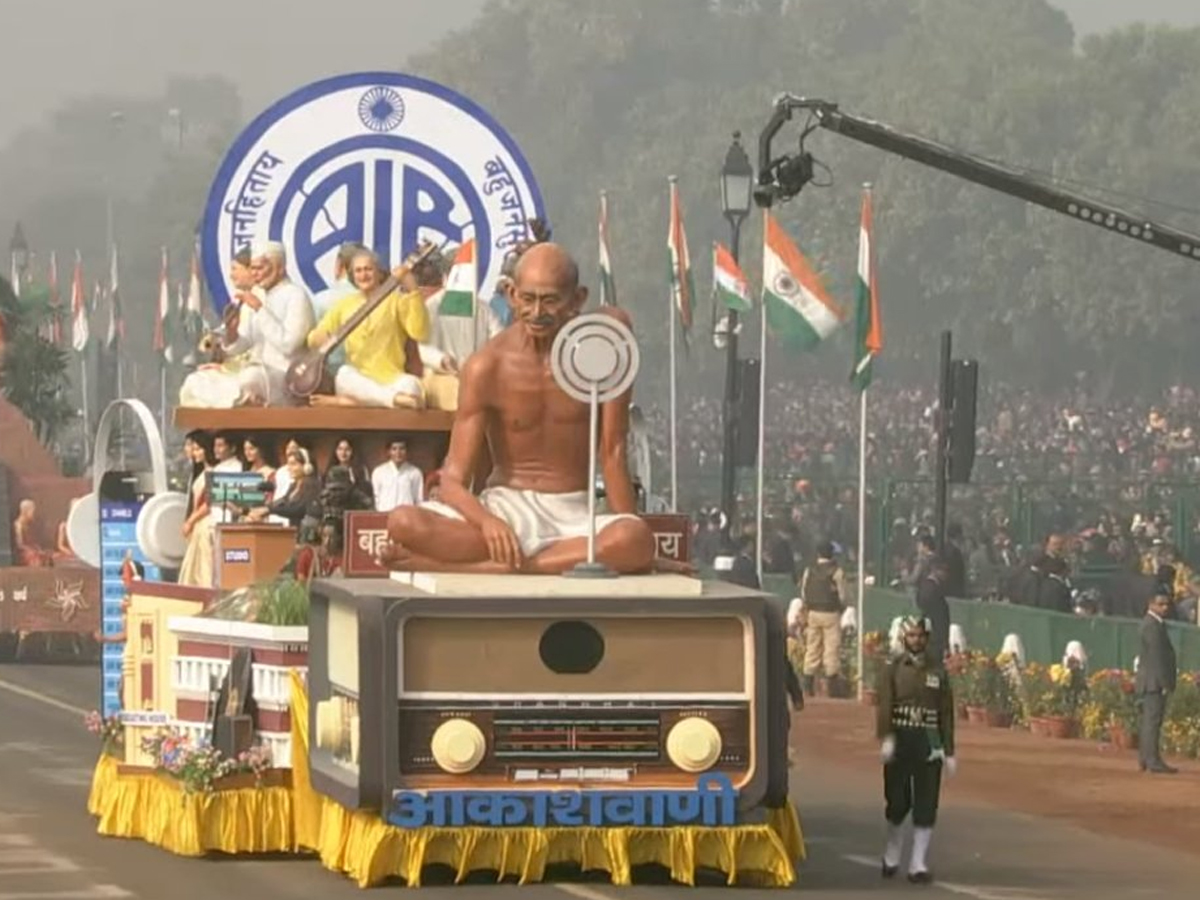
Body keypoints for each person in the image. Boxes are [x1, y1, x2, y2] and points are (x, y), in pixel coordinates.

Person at [381, 243, 655, 575]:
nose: (537, 312)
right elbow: (453, 480)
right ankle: (530, 561)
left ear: (578, 299)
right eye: (528, 298)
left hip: (575, 516)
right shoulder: (486, 366)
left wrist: (638, 546)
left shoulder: (600, 352)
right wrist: (487, 523)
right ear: (511, 294)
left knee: (634, 538)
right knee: (403, 522)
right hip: (506, 509)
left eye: (550, 300)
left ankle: (500, 567)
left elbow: (612, 451)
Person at [876, 616, 956, 884]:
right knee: (898, 801)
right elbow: (884, 704)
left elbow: (946, 711)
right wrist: (886, 737)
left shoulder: (937, 669)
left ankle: (918, 863)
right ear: (903, 637)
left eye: (920, 635)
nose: (916, 640)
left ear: (927, 637)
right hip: (901, 738)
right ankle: (892, 852)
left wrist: (949, 750)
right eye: (911, 635)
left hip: (929, 741)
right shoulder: (894, 667)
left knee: (926, 802)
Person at [307, 248, 430, 409]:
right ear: (352, 275)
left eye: (368, 269)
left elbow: (419, 332)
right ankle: (392, 400)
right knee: (344, 374)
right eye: (358, 271)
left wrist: (414, 291)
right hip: (358, 380)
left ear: (379, 273)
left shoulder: (397, 301)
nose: (363, 275)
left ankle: (354, 403)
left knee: (412, 385)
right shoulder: (344, 305)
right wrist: (320, 337)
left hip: (391, 379)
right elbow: (313, 338)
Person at [178, 249, 264, 408]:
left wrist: (225, 368)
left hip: (257, 374)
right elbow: (232, 338)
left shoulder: (262, 301)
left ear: (250, 271)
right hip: (237, 370)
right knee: (194, 381)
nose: (231, 275)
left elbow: (258, 350)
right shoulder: (242, 302)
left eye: (235, 269)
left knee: (203, 384)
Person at [237, 241, 316, 406]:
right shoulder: (256, 295)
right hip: (256, 371)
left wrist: (259, 309)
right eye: (252, 268)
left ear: (280, 268)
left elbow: (289, 345)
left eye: (260, 268)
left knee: (251, 378)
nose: (255, 274)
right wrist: (231, 334)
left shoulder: (296, 295)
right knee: (199, 381)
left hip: (286, 377)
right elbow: (243, 344)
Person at [1136, 591, 1178, 774]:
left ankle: (1146, 758)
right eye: (1161, 604)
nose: (1165, 608)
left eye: (1167, 604)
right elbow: (1157, 657)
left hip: (1151, 680)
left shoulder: (1153, 624)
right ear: (1151, 604)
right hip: (1154, 681)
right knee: (1152, 722)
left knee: (1149, 721)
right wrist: (1163, 682)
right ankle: (1152, 760)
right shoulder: (1152, 625)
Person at [798, 541, 847, 696]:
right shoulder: (836, 571)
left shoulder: (809, 570)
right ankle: (832, 687)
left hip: (813, 612)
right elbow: (843, 595)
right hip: (831, 613)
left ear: (818, 553)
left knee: (812, 648)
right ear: (831, 554)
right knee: (831, 649)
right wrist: (842, 607)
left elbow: (804, 592)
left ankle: (808, 684)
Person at [177, 432, 216, 587]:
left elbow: (208, 502)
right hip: (198, 525)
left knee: (204, 568)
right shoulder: (202, 472)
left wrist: (190, 521)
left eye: (199, 449)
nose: (195, 453)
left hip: (204, 523)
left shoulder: (212, 472)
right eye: (194, 449)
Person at [247, 448, 320, 529]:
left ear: (306, 467)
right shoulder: (293, 485)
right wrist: (261, 509)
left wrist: (269, 510)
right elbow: (282, 502)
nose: (289, 468)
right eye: (288, 464)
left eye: (293, 464)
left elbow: (297, 509)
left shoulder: (312, 485)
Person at [916, 557, 952, 665]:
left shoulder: (928, 586)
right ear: (936, 570)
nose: (946, 575)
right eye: (944, 571)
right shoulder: (931, 588)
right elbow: (936, 614)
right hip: (934, 636)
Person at [372, 438, 424, 512]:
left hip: (407, 516)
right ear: (389, 452)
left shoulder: (415, 472)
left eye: (402, 448)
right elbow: (376, 497)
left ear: (406, 451)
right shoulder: (379, 472)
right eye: (394, 449)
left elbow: (418, 499)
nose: (398, 452)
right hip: (385, 514)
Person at [12, 499, 53, 567]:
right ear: (25, 511)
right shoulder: (19, 525)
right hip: (23, 553)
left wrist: (38, 549)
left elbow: (33, 542)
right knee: (36, 558)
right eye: (32, 511)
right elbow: (20, 544)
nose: (34, 514)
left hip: (32, 550)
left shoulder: (30, 524)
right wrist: (34, 551)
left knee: (47, 555)